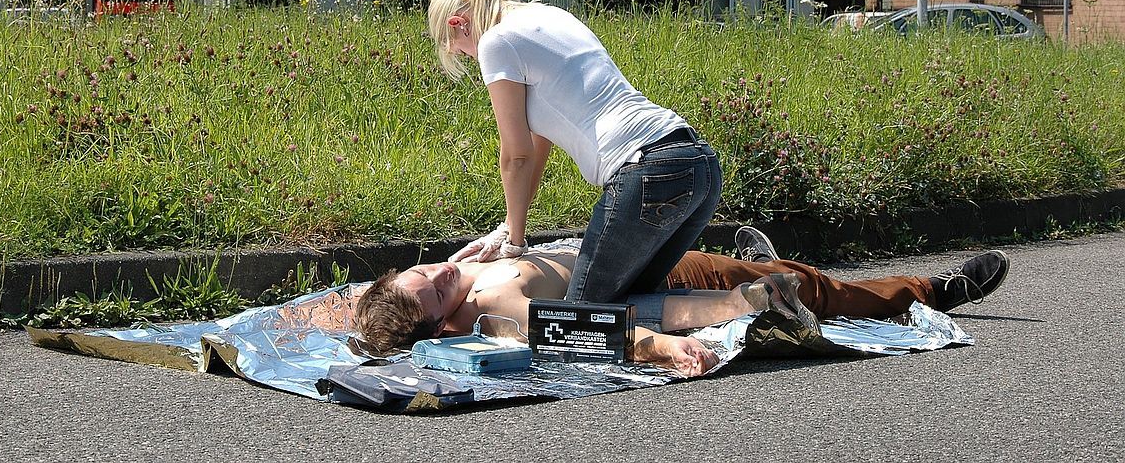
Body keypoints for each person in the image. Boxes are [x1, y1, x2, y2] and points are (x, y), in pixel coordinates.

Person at [426, 0, 722, 304]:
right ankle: (755, 303)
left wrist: (514, 246)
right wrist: (509, 227)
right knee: (635, 300)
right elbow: (539, 144)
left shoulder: (496, 41)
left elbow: (516, 155)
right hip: (697, 163)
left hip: (646, 169)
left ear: (458, 24)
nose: (467, 56)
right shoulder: (548, 16)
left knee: (580, 319)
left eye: (460, 50)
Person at [353, 226, 1012, 377]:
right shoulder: (497, 308)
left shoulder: (459, 275)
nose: (442, 270)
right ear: (442, 327)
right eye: (436, 287)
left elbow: (376, 307)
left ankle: (760, 260)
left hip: (643, 253)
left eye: (423, 268)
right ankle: (932, 290)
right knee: (811, 288)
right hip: (671, 284)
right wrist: (664, 347)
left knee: (765, 269)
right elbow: (588, 330)